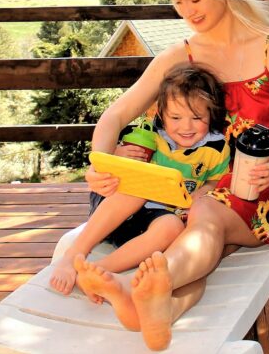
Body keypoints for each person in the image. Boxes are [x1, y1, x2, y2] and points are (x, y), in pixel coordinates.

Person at [74, 0, 269, 351]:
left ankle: (139, 286)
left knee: (202, 215)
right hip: (194, 189)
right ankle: (157, 309)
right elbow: (115, 115)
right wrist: (102, 162)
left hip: (264, 187)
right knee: (199, 231)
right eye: (178, 2)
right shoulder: (181, 57)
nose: (187, 10)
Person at [49, 63, 230, 296]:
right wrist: (117, 153)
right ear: (160, 114)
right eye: (175, 117)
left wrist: (203, 191)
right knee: (138, 190)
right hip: (114, 210)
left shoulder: (217, 149)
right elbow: (111, 163)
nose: (186, 127)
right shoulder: (147, 136)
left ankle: (98, 271)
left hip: (152, 224)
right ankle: (73, 256)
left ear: (210, 114)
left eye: (197, 117)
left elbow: (215, 181)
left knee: (173, 227)